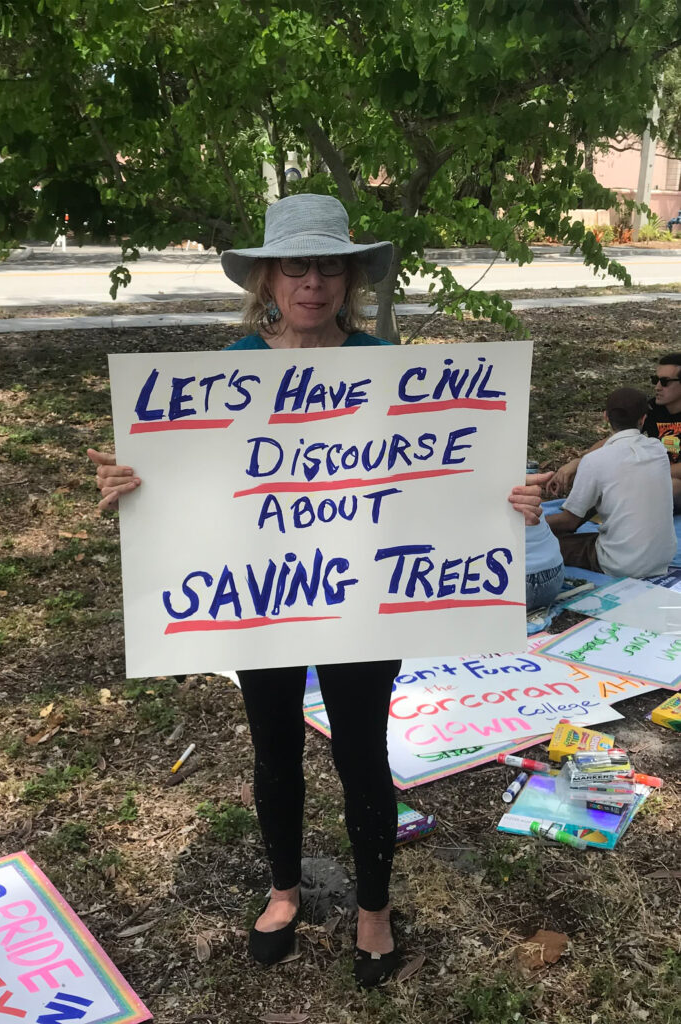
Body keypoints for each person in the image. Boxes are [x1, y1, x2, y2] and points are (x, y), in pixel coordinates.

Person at [87, 193, 545, 987]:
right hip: (265, 602)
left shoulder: (387, 369)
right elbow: (190, 486)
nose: (311, 281)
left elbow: (440, 480)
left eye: (326, 265)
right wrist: (133, 486)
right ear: (266, 280)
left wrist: (506, 501)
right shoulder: (225, 374)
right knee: (275, 753)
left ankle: (373, 907)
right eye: (294, 265)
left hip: (363, 603)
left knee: (362, 753)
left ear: (348, 278)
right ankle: (284, 889)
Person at [545, 387, 676, 577]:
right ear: (643, 419)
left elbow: (568, 521)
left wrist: (532, 526)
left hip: (621, 564)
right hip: (663, 558)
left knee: (545, 543)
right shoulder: (658, 450)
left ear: (605, 416)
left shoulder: (595, 460)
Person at [548, 353, 681, 511]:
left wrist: (643, 472)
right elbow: (616, 439)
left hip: (667, 482)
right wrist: (579, 463)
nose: (657, 387)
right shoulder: (651, 409)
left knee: (673, 484)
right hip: (650, 479)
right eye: (655, 380)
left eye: (664, 382)